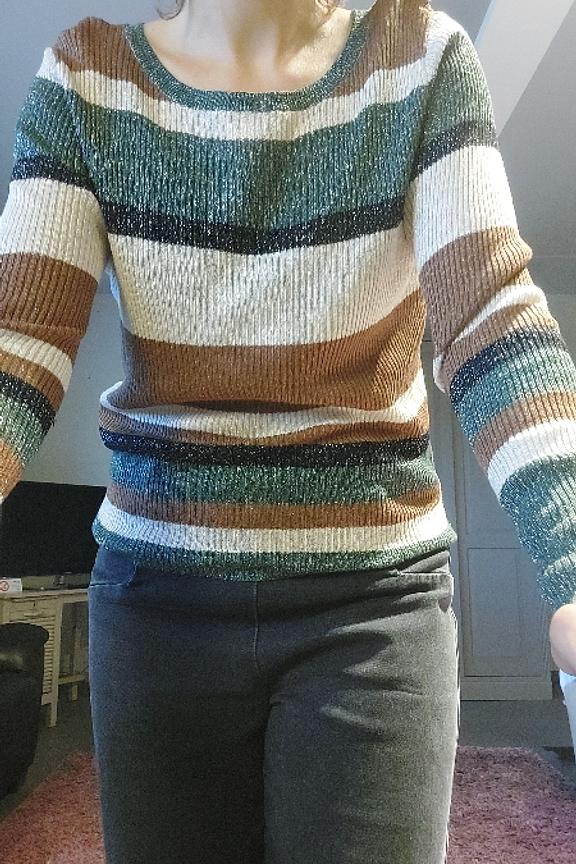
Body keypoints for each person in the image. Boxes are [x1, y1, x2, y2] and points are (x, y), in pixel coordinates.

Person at [1, 0, 576, 861]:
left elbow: (489, 315)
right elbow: (20, 337)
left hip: (373, 608)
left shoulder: (420, 59)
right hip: (158, 604)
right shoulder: (86, 78)